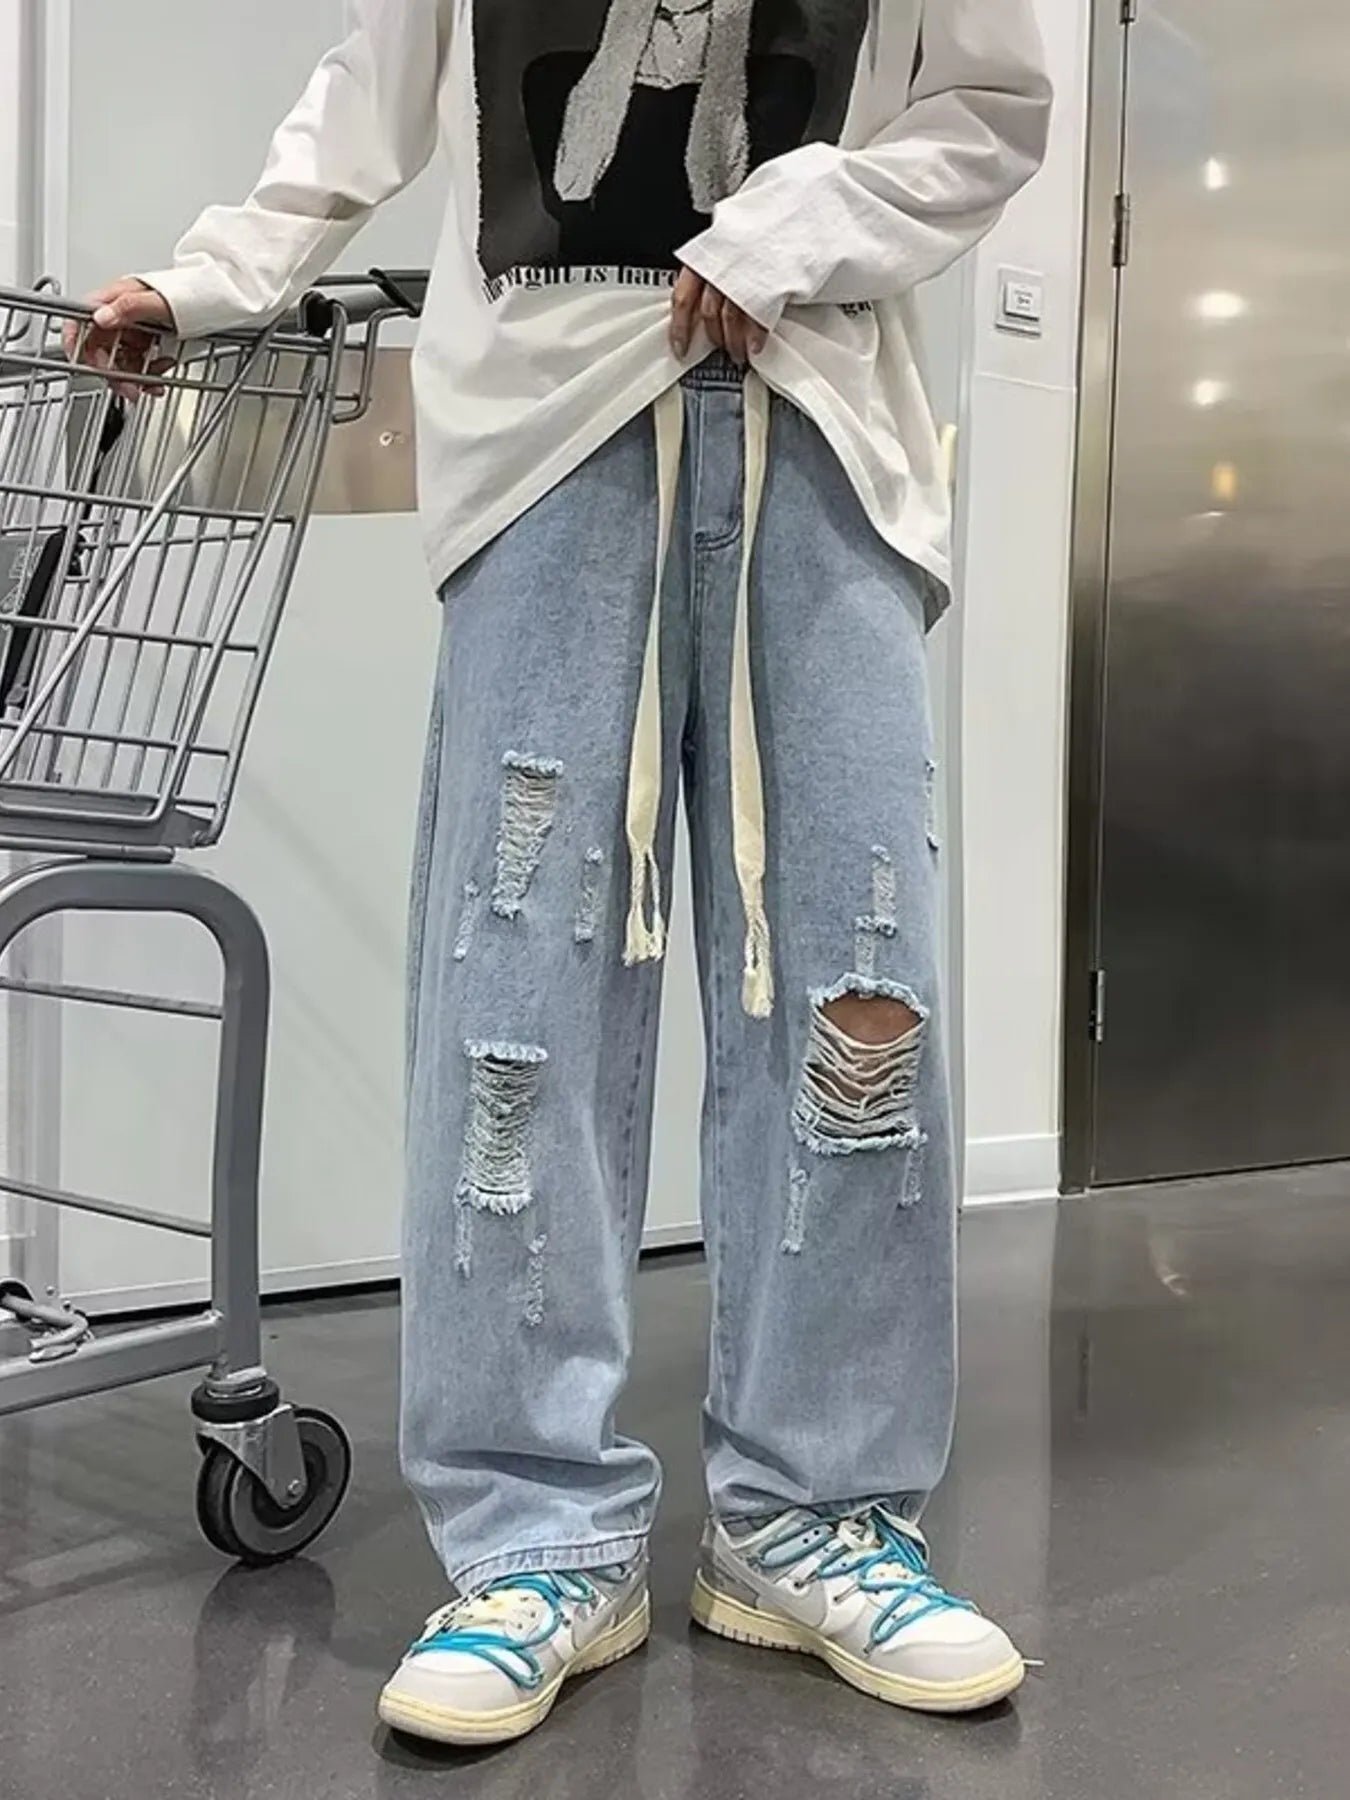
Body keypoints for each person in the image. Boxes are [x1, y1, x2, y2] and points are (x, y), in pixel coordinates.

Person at [78, 0, 1051, 1746]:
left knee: (859, 990)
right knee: (512, 1005)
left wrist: (795, 219)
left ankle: (817, 1515)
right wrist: (213, 276)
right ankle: (537, 1536)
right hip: (543, 445)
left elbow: (985, 106)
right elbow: (372, 88)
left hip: (829, 437)